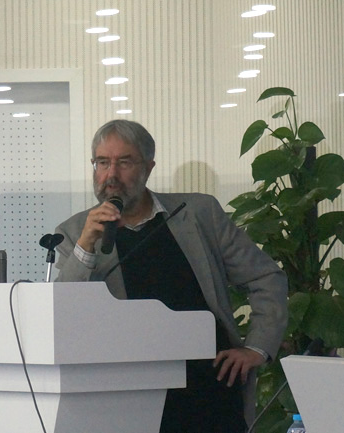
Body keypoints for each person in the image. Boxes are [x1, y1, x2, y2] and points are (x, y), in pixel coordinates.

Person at [54, 119, 288, 432]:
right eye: (102, 162)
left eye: (125, 162)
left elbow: (266, 278)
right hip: (126, 396)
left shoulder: (198, 212)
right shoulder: (74, 233)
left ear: (148, 167)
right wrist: (86, 246)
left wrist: (257, 347)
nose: (111, 175)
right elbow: (63, 311)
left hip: (210, 388)